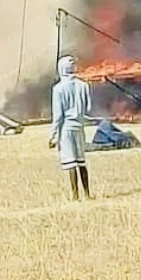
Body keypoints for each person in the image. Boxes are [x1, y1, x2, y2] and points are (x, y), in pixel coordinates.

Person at [48, 55, 93, 200]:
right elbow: (88, 108)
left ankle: (75, 196)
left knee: (70, 161)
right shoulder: (84, 85)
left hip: (66, 128)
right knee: (81, 161)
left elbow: (58, 115)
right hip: (80, 126)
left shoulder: (58, 89)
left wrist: (53, 135)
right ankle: (87, 193)